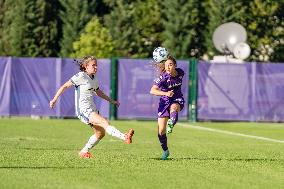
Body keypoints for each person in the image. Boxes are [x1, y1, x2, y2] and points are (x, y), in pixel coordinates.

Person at [49, 55, 134, 158]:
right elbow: (65, 86)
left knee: (100, 133)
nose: (96, 67)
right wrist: (54, 99)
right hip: (84, 110)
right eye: (93, 65)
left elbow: (98, 92)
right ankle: (124, 136)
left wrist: (112, 101)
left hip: (92, 109)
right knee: (105, 122)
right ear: (86, 66)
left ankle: (83, 152)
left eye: (96, 65)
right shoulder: (81, 76)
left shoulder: (94, 79)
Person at [150, 55, 185, 160]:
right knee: (161, 131)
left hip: (177, 99)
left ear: (175, 65)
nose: (168, 67)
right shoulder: (163, 77)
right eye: (166, 65)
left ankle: (171, 123)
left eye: (170, 64)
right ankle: (165, 151)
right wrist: (165, 93)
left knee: (174, 108)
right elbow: (152, 90)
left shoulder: (180, 73)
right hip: (164, 102)